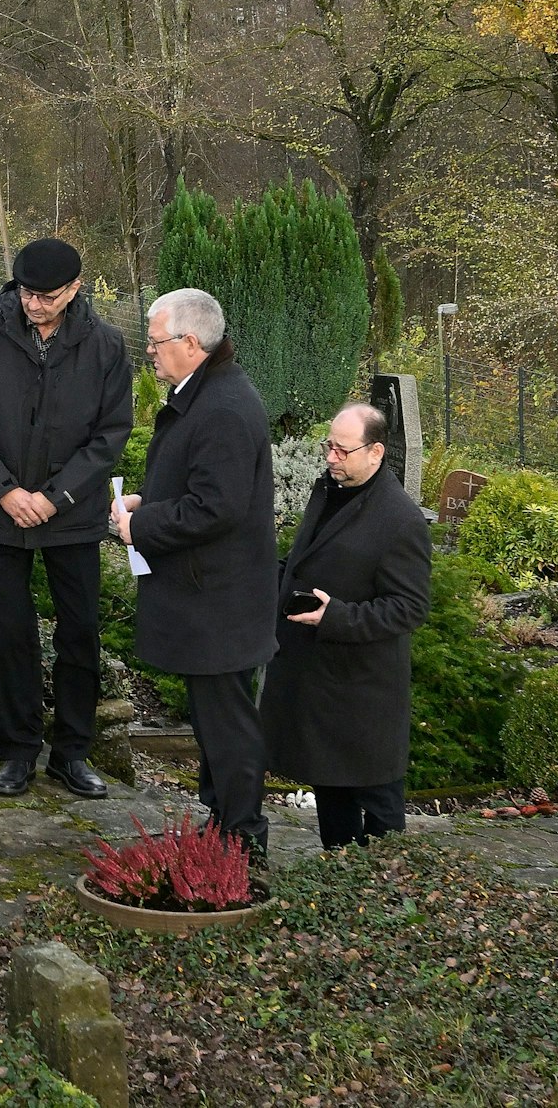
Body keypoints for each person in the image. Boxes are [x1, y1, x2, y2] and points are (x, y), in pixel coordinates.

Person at [0, 237, 133, 798]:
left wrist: (55, 497)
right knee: (8, 632)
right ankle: (18, 747)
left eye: (47, 296)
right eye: (26, 292)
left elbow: (110, 435)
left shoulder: (105, 346)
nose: (33, 304)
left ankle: (72, 752)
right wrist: (4, 492)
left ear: (75, 289)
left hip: (70, 516)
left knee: (80, 633)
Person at [112, 288, 277, 852]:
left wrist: (143, 527)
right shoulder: (207, 393)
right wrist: (145, 502)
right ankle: (223, 822)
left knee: (226, 722)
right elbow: (199, 484)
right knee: (212, 719)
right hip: (210, 596)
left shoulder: (224, 407)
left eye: (155, 343)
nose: (150, 354)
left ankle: (241, 836)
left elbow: (217, 507)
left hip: (220, 602)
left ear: (190, 342)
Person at [261, 404, 432, 849]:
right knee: (330, 788)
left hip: (364, 690)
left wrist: (335, 616)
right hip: (319, 680)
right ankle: (339, 877)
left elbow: (409, 608)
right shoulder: (329, 489)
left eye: (342, 449)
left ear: (375, 452)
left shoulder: (400, 520)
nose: (331, 457)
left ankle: (385, 897)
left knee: (379, 805)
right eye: (328, 446)